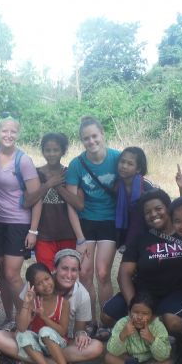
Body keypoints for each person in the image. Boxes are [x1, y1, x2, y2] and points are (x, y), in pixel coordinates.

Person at [102, 190, 182, 335]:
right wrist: (133, 306)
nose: (153, 214)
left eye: (158, 209)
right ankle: (139, 333)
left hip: (179, 291)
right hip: (145, 293)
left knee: (172, 322)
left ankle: (167, 338)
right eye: (148, 212)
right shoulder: (140, 240)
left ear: (168, 209)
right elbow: (124, 274)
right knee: (107, 317)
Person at [0, 248, 104, 364]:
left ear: (78, 272)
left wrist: (81, 334)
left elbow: (78, 330)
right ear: (55, 269)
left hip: (61, 343)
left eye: (74, 270)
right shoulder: (36, 281)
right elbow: (22, 326)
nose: (69, 275)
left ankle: (34, 361)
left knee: (96, 347)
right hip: (33, 339)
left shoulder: (82, 295)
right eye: (65, 268)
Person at [66, 116, 120, 335]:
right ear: (82, 140)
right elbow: (71, 204)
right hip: (86, 221)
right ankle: (89, 322)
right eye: (86, 138)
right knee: (85, 273)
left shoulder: (117, 158)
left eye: (94, 136)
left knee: (103, 272)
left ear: (102, 134)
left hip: (109, 220)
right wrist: (79, 237)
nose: (91, 141)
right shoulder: (76, 164)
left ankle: (106, 321)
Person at [0, 114, 42, 322]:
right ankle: (9, 318)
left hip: (19, 222)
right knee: (1, 272)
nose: (8, 135)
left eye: (13, 131)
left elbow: (37, 198)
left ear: (18, 134)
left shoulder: (23, 160)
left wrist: (33, 230)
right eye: (4, 131)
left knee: (12, 274)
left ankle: (26, 317)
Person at [22, 133, 83, 271]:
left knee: (66, 274)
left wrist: (59, 187)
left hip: (68, 234)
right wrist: (48, 184)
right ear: (42, 151)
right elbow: (27, 202)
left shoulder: (69, 173)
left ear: (63, 151)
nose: (51, 154)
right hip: (44, 235)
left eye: (56, 150)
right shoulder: (35, 173)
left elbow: (79, 204)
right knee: (48, 274)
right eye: (47, 150)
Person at [16, 263, 74, 364]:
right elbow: (21, 327)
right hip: (39, 346)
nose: (46, 285)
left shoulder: (63, 303)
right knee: (21, 335)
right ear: (33, 287)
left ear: (52, 276)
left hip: (57, 343)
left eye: (47, 279)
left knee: (45, 331)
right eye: (39, 283)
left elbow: (63, 331)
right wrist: (26, 303)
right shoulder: (33, 301)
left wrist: (45, 318)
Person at [102, 291, 174, 364]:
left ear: (153, 316)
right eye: (135, 312)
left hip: (149, 362)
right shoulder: (123, 323)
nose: (139, 317)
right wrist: (123, 335)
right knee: (109, 357)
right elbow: (113, 350)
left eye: (145, 313)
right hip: (128, 359)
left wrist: (151, 339)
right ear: (129, 312)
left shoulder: (157, 326)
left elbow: (163, 356)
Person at [115, 146, 156, 247]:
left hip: (146, 230)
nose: (124, 166)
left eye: (130, 164)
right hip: (125, 230)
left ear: (138, 169)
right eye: (122, 162)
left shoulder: (146, 186)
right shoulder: (116, 186)